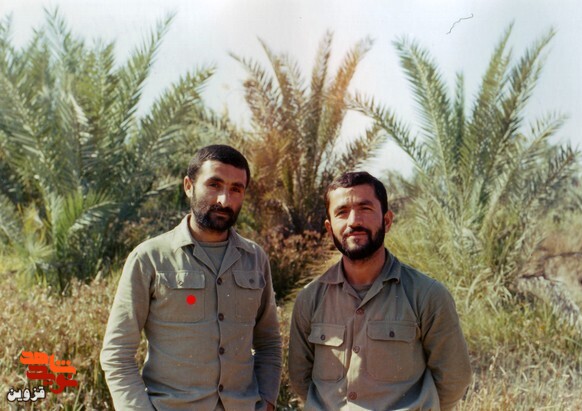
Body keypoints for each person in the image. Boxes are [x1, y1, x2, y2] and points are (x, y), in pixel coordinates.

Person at [101, 145, 282, 410]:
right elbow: (117, 353)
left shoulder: (255, 259)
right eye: (214, 185)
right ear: (189, 186)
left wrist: (267, 401)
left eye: (236, 189)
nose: (224, 200)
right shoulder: (149, 258)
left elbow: (269, 343)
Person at [288, 171, 472, 410]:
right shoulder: (310, 299)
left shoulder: (427, 295)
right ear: (329, 227)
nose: (353, 221)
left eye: (365, 208)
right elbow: (300, 377)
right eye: (342, 212)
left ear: (387, 221)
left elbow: (454, 379)